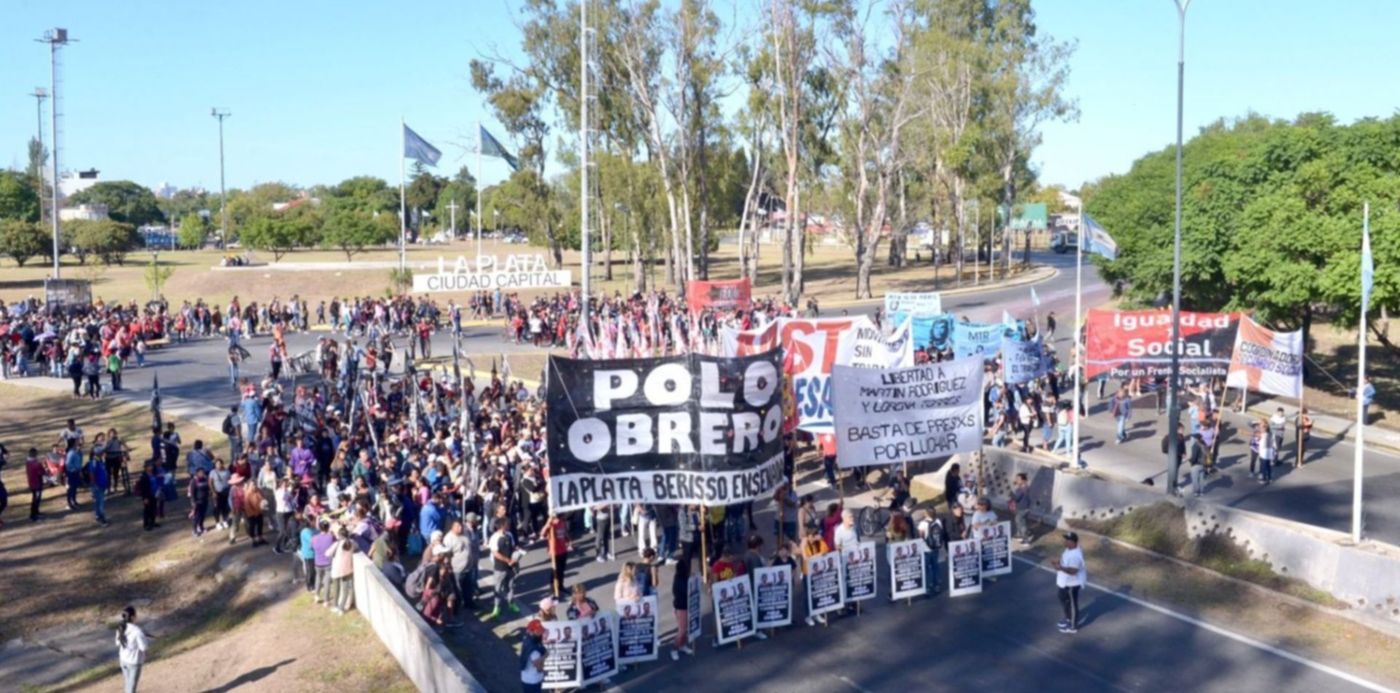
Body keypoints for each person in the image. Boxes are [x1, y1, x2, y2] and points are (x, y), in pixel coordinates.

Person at [488, 518, 521, 620]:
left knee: (511, 586)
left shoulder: (509, 535)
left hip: (511, 567)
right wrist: (507, 560)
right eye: (507, 524)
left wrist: (518, 552)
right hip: (500, 568)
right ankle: (496, 607)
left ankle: (511, 603)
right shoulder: (494, 538)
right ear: (501, 526)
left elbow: (513, 546)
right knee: (498, 588)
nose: (509, 525)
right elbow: (495, 553)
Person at [115, 605, 150, 693]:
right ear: (133, 617)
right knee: (131, 688)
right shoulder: (137, 631)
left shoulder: (121, 628)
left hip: (123, 660)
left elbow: (117, 643)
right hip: (134, 662)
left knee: (128, 684)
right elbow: (144, 647)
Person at [1056, 531, 1086, 634]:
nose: (1064, 541)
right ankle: (1068, 618)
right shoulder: (1069, 549)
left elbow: (1073, 571)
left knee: (1072, 604)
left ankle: (1073, 626)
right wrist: (1059, 564)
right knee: (1063, 599)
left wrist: (1060, 568)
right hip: (1064, 582)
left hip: (1072, 583)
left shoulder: (1075, 555)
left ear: (1073, 542)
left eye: (1067, 540)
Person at [670, 557, 695, 660]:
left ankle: (682, 645)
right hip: (681, 607)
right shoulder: (680, 580)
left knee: (685, 629)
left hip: (684, 606)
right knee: (682, 630)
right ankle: (674, 649)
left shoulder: (681, 578)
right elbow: (685, 591)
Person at [544, 514, 570, 598]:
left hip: (563, 550)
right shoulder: (552, 524)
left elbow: (565, 533)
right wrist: (548, 524)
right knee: (555, 571)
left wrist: (568, 541)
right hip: (554, 551)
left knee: (561, 570)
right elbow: (542, 534)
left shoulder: (563, 522)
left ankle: (561, 586)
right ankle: (553, 590)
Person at [521, 619, 549, 693]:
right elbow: (537, 665)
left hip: (527, 678)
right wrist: (545, 656)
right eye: (539, 631)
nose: (541, 633)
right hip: (533, 680)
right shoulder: (534, 649)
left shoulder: (527, 639)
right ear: (532, 631)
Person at [135, 462, 160, 531]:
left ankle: (153, 522)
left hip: (154, 494)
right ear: (146, 467)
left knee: (154, 508)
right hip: (147, 495)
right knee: (147, 510)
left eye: (151, 466)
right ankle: (146, 524)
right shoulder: (144, 476)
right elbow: (143, 488)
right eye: (149, 466)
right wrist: (145, 498)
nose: (150, 468)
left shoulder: (154, 474)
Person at [1010, 473, 1030, 545]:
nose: (1017, 480)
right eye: (1016, 479)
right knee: (1020, 521)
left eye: (1018, 479)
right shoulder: (1024, 487)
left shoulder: (1022, 489)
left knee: (1021, 523)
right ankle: (1020, 536)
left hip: (1022, 509)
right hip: (1023, 508)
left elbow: (1016, 498)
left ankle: (1026, 540)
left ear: (1023, 480)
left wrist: (1011, 493)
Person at [25, 448, 45, 522]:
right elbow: (41, 472)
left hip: (32, 483)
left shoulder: (28, 462)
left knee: (36, 499)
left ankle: (36, 512)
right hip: (37, 483)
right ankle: (33, 516)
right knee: (36, 499)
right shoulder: (36, 464)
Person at [1258, 418, 1277, 486]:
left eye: (1261, 424)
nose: (1260, 425)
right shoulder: (1271, 433)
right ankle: (1269, 478)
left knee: (1263, 465)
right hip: (1268, 452)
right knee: (1268, 465)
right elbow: (1274, 443)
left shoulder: (1264, 433)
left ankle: (1263, 478)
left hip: (1264, 452)